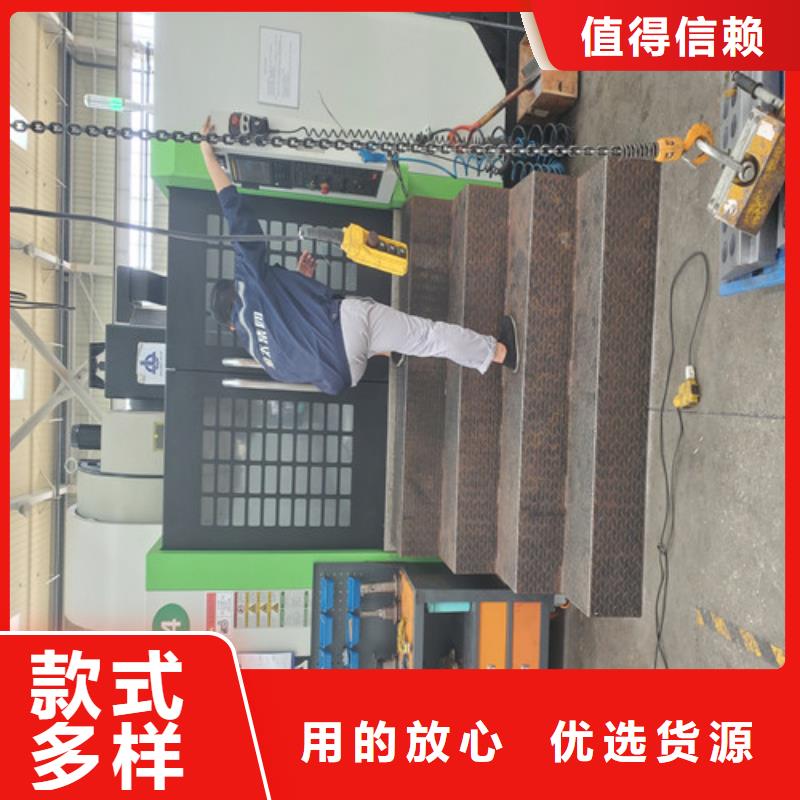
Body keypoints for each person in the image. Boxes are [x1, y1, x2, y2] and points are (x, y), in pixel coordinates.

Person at [200, 117, 519, 395]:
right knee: (426, 335)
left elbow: (301, 341)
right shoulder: (247, 284)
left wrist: (302, 281)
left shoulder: (264, 358)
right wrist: (208, 157)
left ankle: (389, 349)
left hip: (344, 374)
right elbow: (236, 215)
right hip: (347, 327)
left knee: (372, 324)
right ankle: (498, 352)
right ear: (234, 288)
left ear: (231, 328)